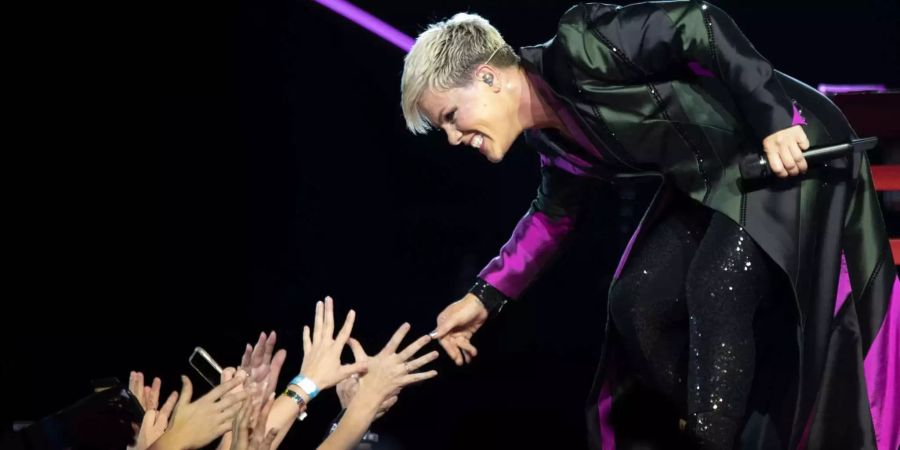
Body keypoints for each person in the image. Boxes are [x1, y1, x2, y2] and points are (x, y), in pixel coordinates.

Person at [400, 2, 898, 449]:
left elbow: (701, 23)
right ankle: (721, 428)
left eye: (449, 116)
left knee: (715, 286)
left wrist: (775, 120)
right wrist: (484, 297)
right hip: (715, 184)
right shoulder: (554, 142)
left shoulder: (583, 45)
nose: (452, 137)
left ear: (488, 77)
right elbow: (554, 216)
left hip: (783, 146)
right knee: (636, 301)